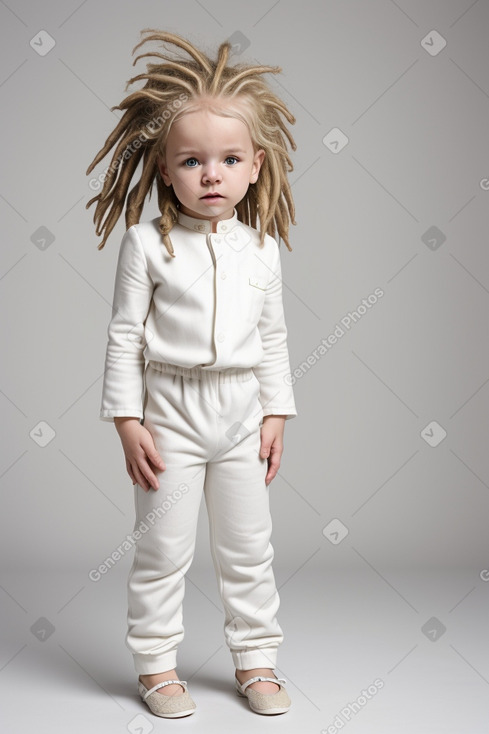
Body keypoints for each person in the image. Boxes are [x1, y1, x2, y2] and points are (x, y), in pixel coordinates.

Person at [86, 28, 298, 719]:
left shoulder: (262, 251)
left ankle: (257, 661)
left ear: (255, 167)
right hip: (168, 412)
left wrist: (275, 413)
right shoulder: (145, 244)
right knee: (163, 550)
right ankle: (155, 666)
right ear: (164, 170)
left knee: (248, 548)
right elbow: (123, 335)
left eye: (228, 159)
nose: (211, 174)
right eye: (191, 161)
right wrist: (125, 421)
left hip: (239, 412)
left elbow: (272, 337)